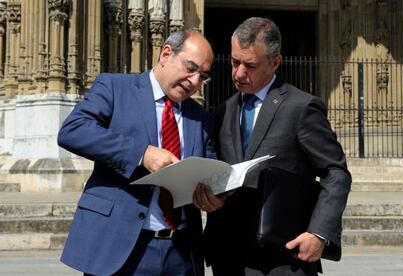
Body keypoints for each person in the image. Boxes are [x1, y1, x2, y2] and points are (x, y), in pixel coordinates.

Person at [193, 17, 352, 276]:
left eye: (250, 65)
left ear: (275, 63)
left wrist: (318, 234)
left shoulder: (301, 108)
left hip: (282, 259)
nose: (238, 73)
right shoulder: (223, 111)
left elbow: (336, 173)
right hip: (228, 257)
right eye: (235, 62)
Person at [58, 29, 213, 275]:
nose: (194, 81)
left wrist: (216, 192)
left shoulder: (200, 116)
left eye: (202, 76)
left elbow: (208, 164)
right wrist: (142, 153)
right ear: (166, 54)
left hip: (181, 255)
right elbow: (73, 130)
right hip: (120, 249)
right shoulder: (115, 87)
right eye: (190, 68)